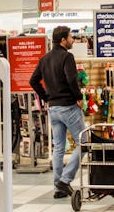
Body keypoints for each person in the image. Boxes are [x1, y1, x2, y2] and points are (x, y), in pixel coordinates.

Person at [29, 25, 85, 199]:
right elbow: (71, 79)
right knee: (84, 142)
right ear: (63, 40)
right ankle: (65, 180)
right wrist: (79, 97)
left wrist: (46, 97)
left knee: (59, 147)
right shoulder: (67, 57)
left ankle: (58, 188)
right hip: (68, 106)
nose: (72, 40)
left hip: (53, 108)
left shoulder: (45, 58)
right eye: (71, 37)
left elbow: (33, 81)